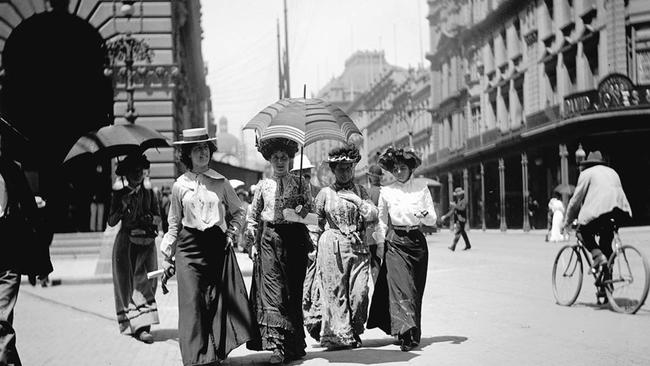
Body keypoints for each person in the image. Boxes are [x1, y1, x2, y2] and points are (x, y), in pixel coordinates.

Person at [160, 128, 257, 366]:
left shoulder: (221, 182)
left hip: (215, 247)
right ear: (188, 154)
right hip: (188, 249)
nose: (202, 153)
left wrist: (231, 233)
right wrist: (166, 255)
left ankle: (213, 352)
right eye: (197, 149)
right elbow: (173, 223)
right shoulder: (179, 186)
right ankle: (196, 358)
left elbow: (239, 211)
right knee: (192, 302)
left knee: (214, 300)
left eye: (205, 148)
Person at [245, 137, 313, 364]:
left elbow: (311, 213)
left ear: (291, 158)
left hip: (295, 242)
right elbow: (253, 216)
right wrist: (251, 242)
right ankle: (277, 347)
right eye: (276, 158)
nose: (281, 162)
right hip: (270, 240)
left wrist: (301, 208)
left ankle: (293, 344)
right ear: (269, 159)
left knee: (292, 292)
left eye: (284, 157)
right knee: (274, 292)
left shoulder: (302, 183)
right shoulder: (263, 185)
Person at [306, 145, 377, 350]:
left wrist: (357, 201)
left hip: (358, 246)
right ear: (333, 170)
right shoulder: (325, 194)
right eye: (340, 168)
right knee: (335, 292)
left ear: (353, 168)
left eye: (348, 168)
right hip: (332, 246)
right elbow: (314, 220)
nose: (344, 172)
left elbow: (372, 215)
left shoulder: (360, 191)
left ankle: (355, 327)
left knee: (360, 292)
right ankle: (341, 334)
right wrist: (313, 245)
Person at [367, 146, 437, 352]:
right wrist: (380, 242)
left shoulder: (422, 189)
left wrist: (423, 214)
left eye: (403, 167)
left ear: (411, 168)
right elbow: (381, 221)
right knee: (400, 288)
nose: (398, 172)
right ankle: (404, 332)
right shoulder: (387, 192)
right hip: (395, 242)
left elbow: (433, 218)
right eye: (395, 168)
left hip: (417, 242)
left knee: (415, 289)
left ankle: (414, 333)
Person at [0, 134, 53, 365]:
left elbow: (32, 217)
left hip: (7, 258)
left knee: (0, 323)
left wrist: (42, 262)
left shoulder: (11, 170)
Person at [107, 154, 160, 343]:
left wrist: (149, 219)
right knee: (127, 284)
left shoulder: (150, 193)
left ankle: (144, 325)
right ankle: (136, 325)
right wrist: (122, 207)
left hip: (146, 244)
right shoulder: (118, 195)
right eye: (133, 171)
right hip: (126, 245)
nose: (137, 174)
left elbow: (158, 218)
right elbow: (111, 221)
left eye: (140, 170)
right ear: (126, 174)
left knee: (147, 283)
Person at [563, 151, 632, 275]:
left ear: (587, 164)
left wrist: (567, 221)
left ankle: (598, 257)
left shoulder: (586, 173)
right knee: (606, 244)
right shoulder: (612, 172)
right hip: (619, 211)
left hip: (601, 210)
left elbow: (575, 201)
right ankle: (607, 286)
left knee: (581, 232)